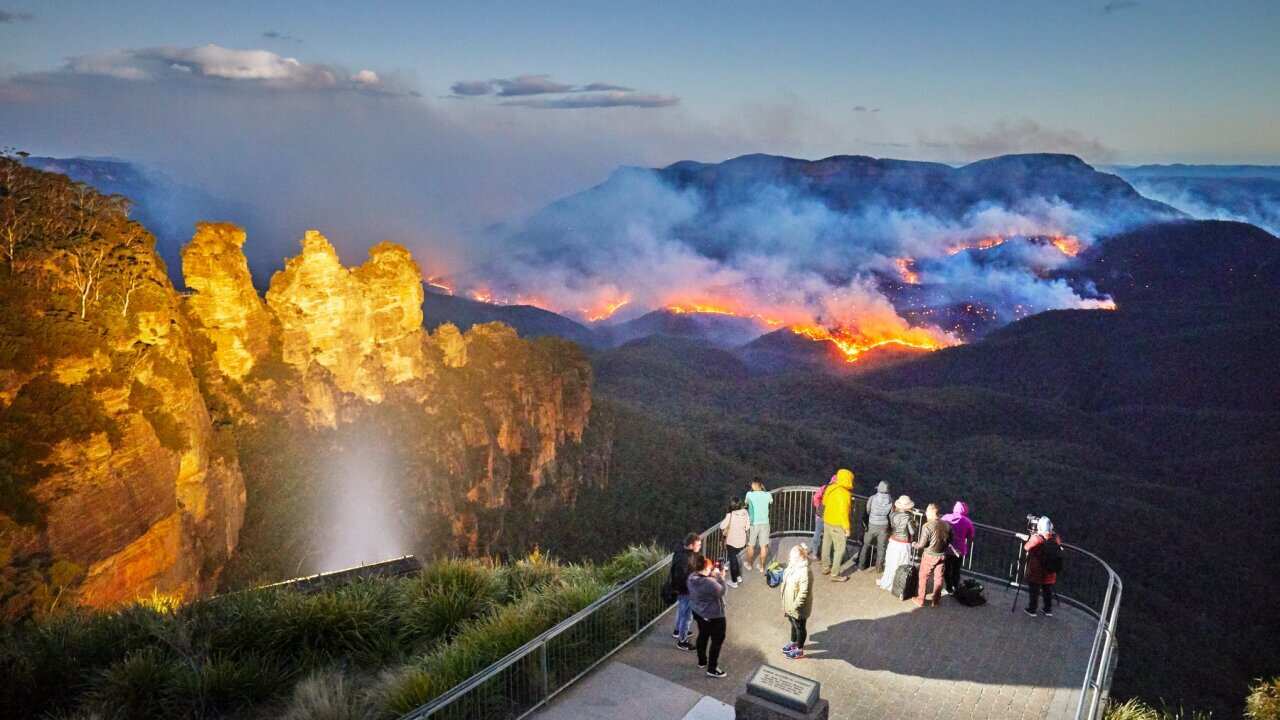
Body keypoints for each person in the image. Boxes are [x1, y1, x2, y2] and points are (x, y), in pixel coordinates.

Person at [686, 552, 729, 678]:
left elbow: (704, 581)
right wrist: (720, 577)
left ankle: (702, 661)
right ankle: (712, 668)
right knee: (717, 640)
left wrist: (711, 575)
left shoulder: (691, 577)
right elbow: (722, 591)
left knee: (703, 635)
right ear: (705, 569)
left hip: (699, 613)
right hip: (714, 616)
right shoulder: (709, 583)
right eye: (709, 568)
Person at [1020, 516, 1063, 617]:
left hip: (1036, 570)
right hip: (1050, 571)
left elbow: (1026, 547)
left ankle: (1032, 609)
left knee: (1034, 590)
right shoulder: (1055, 537)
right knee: (1047, 590)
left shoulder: (1037, 538)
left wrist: (1031, 537)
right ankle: (1048, 609)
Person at [913, 503, 951, 607]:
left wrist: (914, 544)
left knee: (923, 576)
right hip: (942, 555)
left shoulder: (927, 526)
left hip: (930, 555)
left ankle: (921, 600)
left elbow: (921, 544)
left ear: (932, 512)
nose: (925, 513)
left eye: (927, 511)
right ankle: (936, 601)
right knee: (938, 577)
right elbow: (950, 539)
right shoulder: (947, 525)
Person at [820, 469, 854, 581]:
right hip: (837, 524)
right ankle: (834, 574)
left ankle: (825, 567)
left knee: (826, 544)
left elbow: (824, 502)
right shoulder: (845, 494)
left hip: (827, 520)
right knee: (840, 549)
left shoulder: (831, 488)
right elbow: (844, 513)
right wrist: (847, 528)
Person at [877, 495, 917, 591]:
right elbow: (912, 532)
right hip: (904, 544)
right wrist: (915, 524)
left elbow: (890, 527)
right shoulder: (909, 517)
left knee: (890, 563)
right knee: (902, 564)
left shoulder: (892, 515)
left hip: (893, 541)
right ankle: (897, 585)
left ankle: (886, 582)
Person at [781, 544, 814, 659]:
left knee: (800, 627)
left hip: (798, 608)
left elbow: (803, 593)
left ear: (800, 558)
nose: (790, 558)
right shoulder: (793, 565)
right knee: (793, 624)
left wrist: (794, 607)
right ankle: (793, 642)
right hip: (789, 605)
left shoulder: (805, 572)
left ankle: (799, 649)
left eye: (792, 557)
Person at [670, 532, 701, 649]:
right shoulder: (685, 558)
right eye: (698, 545)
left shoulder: (680, 552)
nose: (699, 547)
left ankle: (677, 631)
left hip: (681, 590)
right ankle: (682, 641)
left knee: (681, 611)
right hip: (687, 590)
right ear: (691, 545)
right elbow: (683, 576)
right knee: (687, 617)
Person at [941, 501, 974, 596]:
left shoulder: (945, 517)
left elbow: (939, 528)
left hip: (947, 548)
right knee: (956, 569)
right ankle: (955, 587)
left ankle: (948, 588)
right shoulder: (968, 522)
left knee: (947, 569)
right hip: (959, 550)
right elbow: (971, 536)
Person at [858, 481, 893, 572]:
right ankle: (879, 568)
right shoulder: (890, 500)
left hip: (872, 524)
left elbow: (868, 510)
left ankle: (861, 566)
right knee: (881, 548)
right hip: (884, 526)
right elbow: (891, 514)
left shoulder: (872, 498)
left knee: (865, 545)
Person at [719, 497, 750, 587]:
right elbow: (747, 527)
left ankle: (734, 581)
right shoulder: (745, 512)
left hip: (732, 541)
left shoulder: (730, 514)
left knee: (733, 560)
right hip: (741, 541)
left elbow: (722, 526)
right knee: (735, 558)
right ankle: (739, 576)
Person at [744, 480, 773, 571]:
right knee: (763, 546)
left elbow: (746, 503)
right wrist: (763, 490)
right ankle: (761, 566)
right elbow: (771, 502)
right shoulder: (767, 494)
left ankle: (749, 564)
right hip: (765, 523)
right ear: (761, 485)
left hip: (754, 523)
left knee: (751, 545)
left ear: (753, 485)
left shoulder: (749, 494)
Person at [809, 476, 834, 557]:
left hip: (820, 514)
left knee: (817, 533)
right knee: (829, 536)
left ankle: (814, 553)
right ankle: (826, 555)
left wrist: (818, 506)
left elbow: (816, 497)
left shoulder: (825, 487)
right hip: (831, 517)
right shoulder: (838, 492)